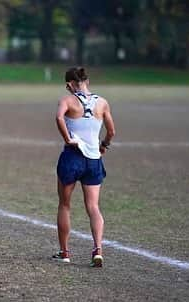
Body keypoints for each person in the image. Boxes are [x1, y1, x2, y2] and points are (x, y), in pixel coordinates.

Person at [53, 67, 115, 267]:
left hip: (72, 157)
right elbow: (112, 131)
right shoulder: (102, 102)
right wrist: (103, 145)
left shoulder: (68, 100)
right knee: (93, 207)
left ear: (70, 84)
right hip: (93, 160)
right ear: (87, 81)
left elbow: (59, 117)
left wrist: (68, 138)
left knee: (65, 205)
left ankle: (65, 252)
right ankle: (98, 249)